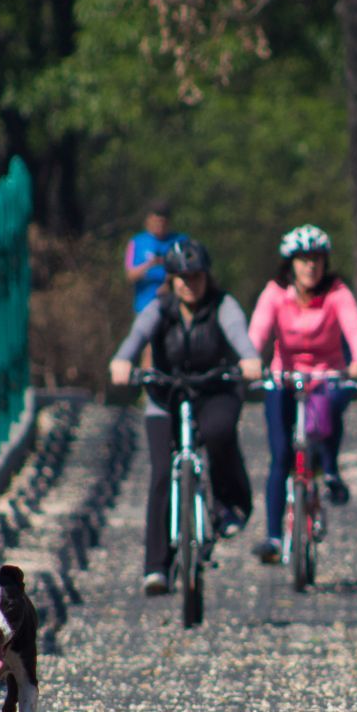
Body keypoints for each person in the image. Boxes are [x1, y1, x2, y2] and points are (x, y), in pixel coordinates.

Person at [107, 238, 264, 595]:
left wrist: (250, 359)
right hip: (166, 395)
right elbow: (136, 338)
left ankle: (230, 505)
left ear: (206, 277)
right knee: (163, 472)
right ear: (171, 280)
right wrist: (122, 361)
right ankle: (156, 567)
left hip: (214, 391)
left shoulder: (223, 306)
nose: (189, 284)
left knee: (219, 431)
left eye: (195, 277)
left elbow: (240, 336)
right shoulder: (159, 309)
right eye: (181, 277)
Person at [246, 224, 357, 564]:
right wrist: (249, 359)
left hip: (326, 375)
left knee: (331, 403)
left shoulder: (337, 293)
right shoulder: (275, 292)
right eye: (303, 260)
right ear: (290, 264)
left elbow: (355, 329)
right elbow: (257, 330)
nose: (311, 267)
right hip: (283, 377)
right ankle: (273, 537)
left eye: (317, 260)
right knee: (281, 456)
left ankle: (329, 470)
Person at [124, 199, 185, 313]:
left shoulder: (180, 241)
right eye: (156, 221)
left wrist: (169, 283)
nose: (160, 225)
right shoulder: (137, 242)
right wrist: (150, 264)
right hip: (145, 306)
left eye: (163, 221)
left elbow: (189, 269)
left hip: (175, 306)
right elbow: (130, 276)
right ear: (148, 220)